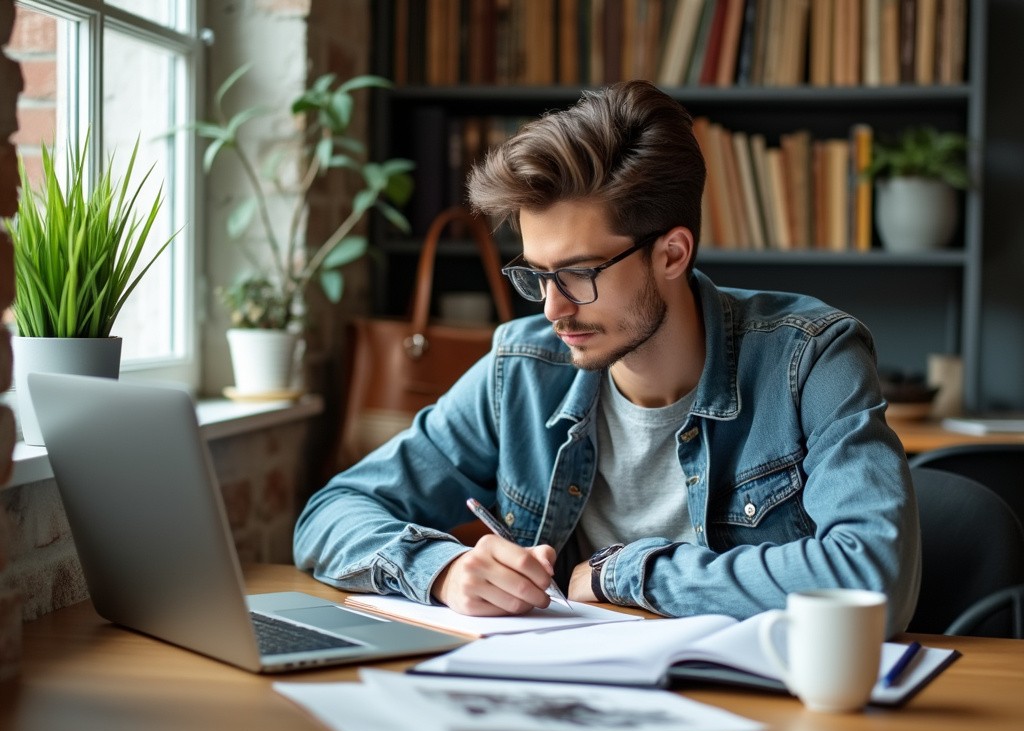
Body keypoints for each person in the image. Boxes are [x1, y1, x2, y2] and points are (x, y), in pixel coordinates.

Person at [294, 80, 920, 635]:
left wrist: (628, 572)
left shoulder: (810, 358)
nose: (551, 310)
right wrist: (444, 569)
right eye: (536, 275)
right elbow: (329, 514)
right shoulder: (522, 371)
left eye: (578, 274)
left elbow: (873, 578)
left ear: (672, 254)